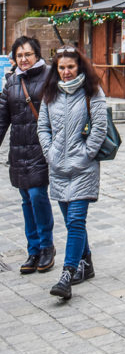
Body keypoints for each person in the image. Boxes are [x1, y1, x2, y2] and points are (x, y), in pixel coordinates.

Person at [37, 46, 108, 301]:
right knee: (71, 222)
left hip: (83, 168)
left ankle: (67, 274)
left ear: (79, 67)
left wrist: (86, 154)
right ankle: (86, 263)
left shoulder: (93, 92)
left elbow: (100, 126)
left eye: (71, 67)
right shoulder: (50, 94)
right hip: (57, 167)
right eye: (62, 68)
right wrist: (50, 152)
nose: (66, 72)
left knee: (76, 221)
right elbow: (43, 127)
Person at [0, 36, 55, 274]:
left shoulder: (48, 76)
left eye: (28, 54)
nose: (23, 59)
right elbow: (2, 118)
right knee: (25, 200)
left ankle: (46, 247)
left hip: (40, 148)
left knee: (37, 196)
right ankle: (33, 250)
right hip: (18, 150)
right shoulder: (12, 82)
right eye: (19, 55)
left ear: (37, 55)